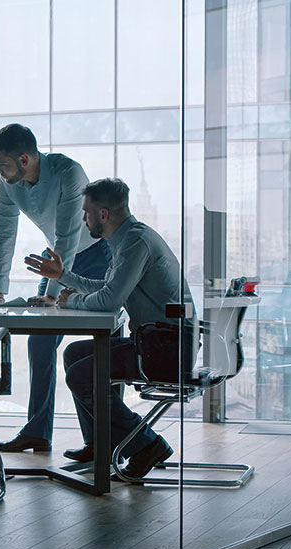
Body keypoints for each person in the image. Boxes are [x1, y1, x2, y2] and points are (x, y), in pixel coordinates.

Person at [24, 177, 195, 480]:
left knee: (81, 374)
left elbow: (109, 300)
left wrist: (72, 301)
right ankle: (99, 443)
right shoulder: (127, 239)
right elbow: (107, 286)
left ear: (102, 215)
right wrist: (64, 275)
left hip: (166, 348)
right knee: (75, 354)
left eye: (86, 212)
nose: (83, 219)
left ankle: (146, 444)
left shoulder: (134, 243)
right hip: (156, 341)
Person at [0, 123, 111, 454]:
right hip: (56, 258)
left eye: (3, 163)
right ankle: (38, 431)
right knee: (40, 341)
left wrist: (53, 293)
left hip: (96, 255)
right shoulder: (8, 185)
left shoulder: (69, 173)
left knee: (98, 343)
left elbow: (68, 235)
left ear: (24, 158)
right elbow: (3, 232)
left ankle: (99, 441)